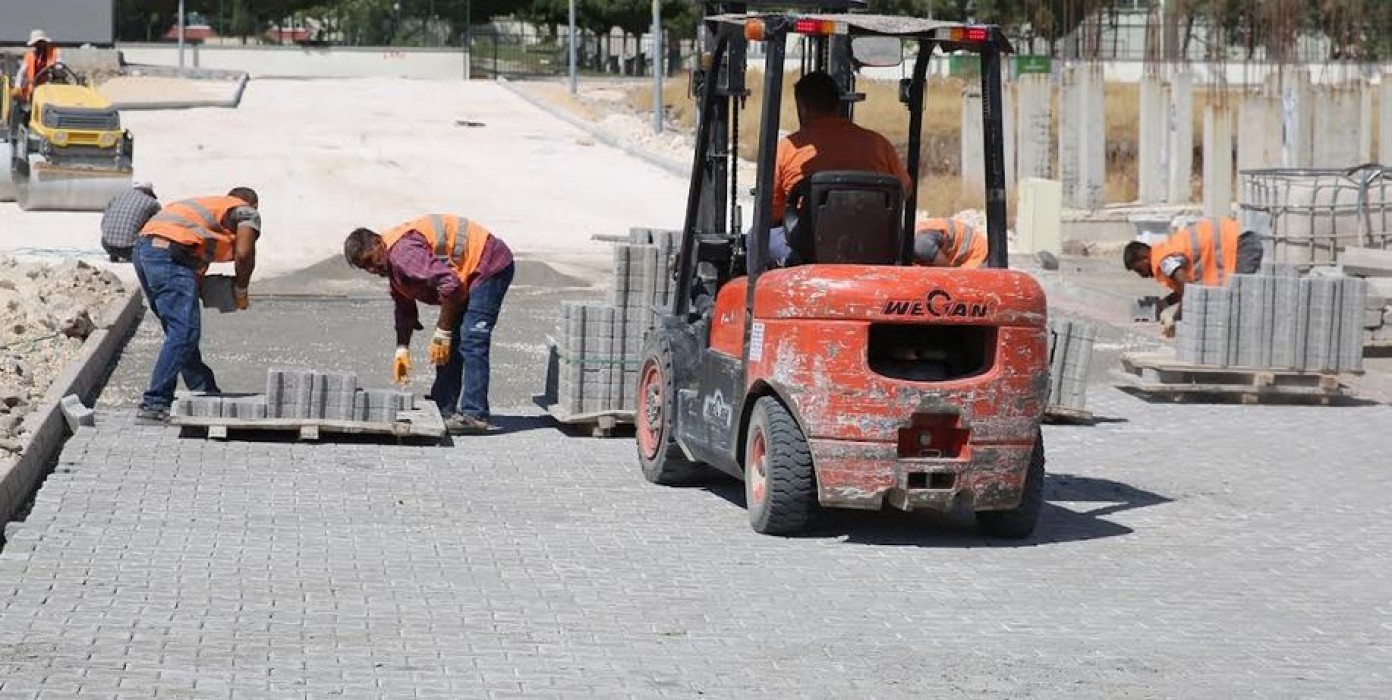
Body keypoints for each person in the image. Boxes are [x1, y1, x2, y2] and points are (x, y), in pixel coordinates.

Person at [343, 215, 515, 435]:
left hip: (489, 265)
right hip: (465, 275)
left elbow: (450, 286)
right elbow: (404, 308)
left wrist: (442, 332)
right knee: (451, 344)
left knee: (472, 340)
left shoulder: (402, 254)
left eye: (370, 260)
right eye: (364, 267)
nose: (371, 269)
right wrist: (401, 349)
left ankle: (476, 415)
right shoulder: (392, 265)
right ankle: (443, 406)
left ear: (378, 242)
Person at [132, 187, 261, 422]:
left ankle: (204, 389)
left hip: (146, 250)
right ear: (252, 204)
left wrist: (201, 290)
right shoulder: (245, 210)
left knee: (179, 332)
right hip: (169, 253)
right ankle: (154, 402)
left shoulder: (207, 214)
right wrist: (241, 287)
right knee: (184, 332)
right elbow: (244, 253)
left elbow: (197, 266)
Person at [766, 71, 912, 266]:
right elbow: (905, 190)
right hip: (872, 243)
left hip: (810, 249)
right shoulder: (878, 144)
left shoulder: (788, 148)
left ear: (802, 107)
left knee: (754, 238)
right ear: (838, 105)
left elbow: (771, 211)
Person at [1123, 216, 1263, 335]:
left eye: (1139, 270)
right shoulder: (1164, 254)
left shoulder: (1165, 262)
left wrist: (1176, 321)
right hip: (1238, 240)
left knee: (1239, 298)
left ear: (1144, 259)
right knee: (1236, 298)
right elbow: (1186, 288)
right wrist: (1164, 304)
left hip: (1241, 243)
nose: (1143, 275)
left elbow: (1189, 290)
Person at [100, 182, 160, 263]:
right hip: (130, 249)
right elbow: (160, 224)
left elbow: (103, 222)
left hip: (107, 245)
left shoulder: (118, 197)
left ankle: (114, 255)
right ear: (149, 192)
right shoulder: (152, 202)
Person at [11, 30, 61, 107]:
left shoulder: (54, 53)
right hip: (34, 88)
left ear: (45, 42)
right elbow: (21, 73)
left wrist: (56, 70)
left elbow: (60, 67)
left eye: (41, 42)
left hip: (51, 87)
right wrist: (18, 86)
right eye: (37, 43)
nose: (39, 45)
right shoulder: (29, 56)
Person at [913, 217, 987, 268]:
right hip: (960, 258)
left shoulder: (920, 245)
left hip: (976, 254)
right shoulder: (913, 240)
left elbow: (948, 272)